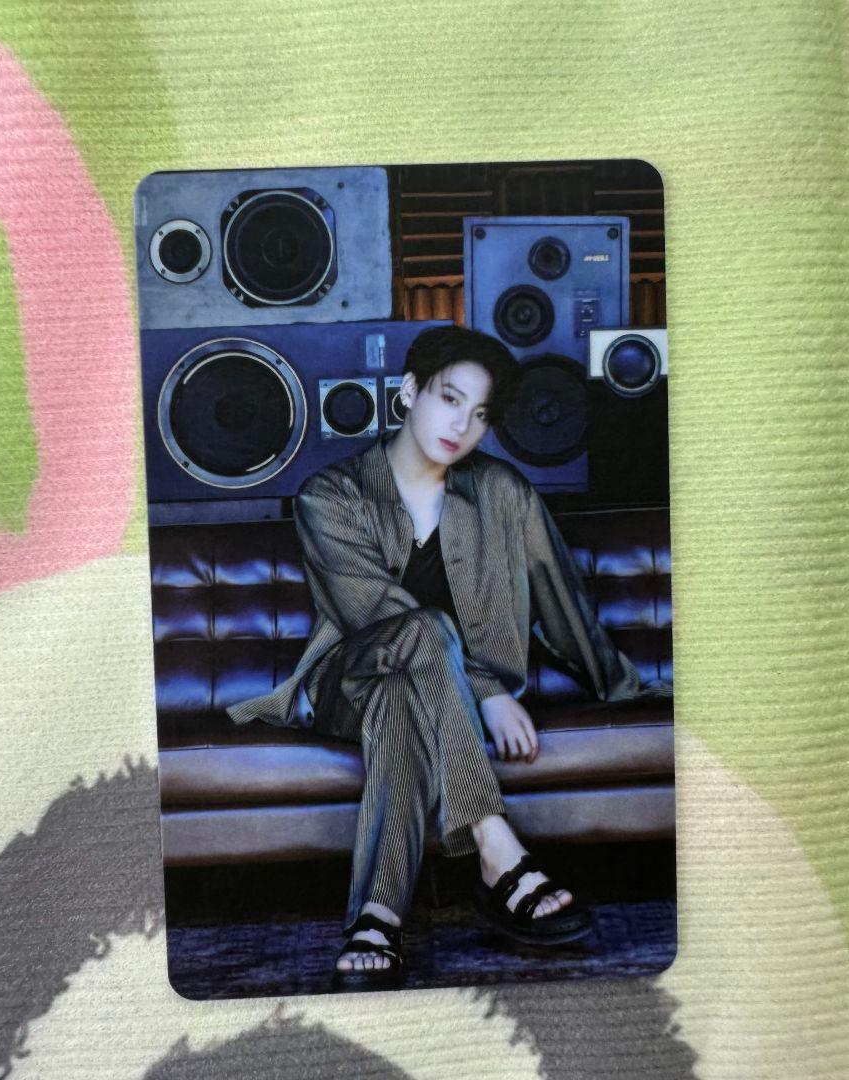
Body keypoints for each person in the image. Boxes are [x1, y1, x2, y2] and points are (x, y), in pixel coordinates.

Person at [225, 325, 643, 991]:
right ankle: (496, 847)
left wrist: (627, 692)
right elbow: (377, 615)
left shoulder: (502, 492)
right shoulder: (329, 497)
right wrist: (487, 690)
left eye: (480, 414)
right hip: (347, 685)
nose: (462, 426)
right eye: (450, 399)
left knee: (402, 700)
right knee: (420, 631)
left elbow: (563, 603)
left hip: (396, 700)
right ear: (410, 390)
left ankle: (378, 917)